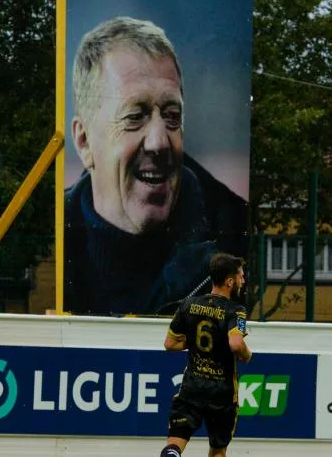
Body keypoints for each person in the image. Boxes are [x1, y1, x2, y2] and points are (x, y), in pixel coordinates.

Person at [64, 16, 247, 316]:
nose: (159, 142)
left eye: (171, 116)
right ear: (84, 141)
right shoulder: (49, 240)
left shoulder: (229, 237)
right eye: (135, 116)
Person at [143, 252, 252, 457]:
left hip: (191, 387)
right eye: (240, 275)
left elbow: (169, 343)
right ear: (229, 281)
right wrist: (247, 355)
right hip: (222, 393)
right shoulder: (234, 310)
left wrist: (193, 345)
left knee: (176, 440)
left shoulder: (189, 305)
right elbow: (236, 345)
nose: (242, 279)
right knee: (217, 454)